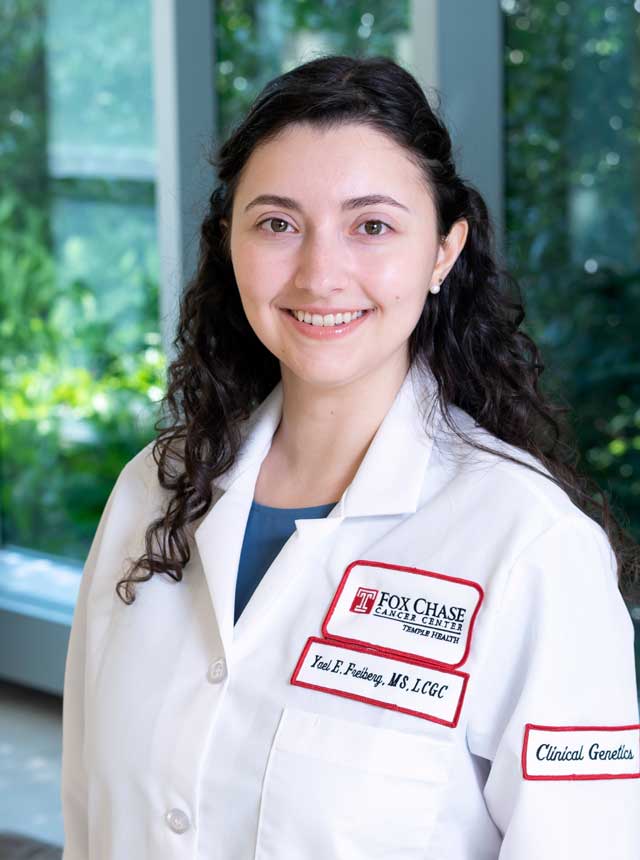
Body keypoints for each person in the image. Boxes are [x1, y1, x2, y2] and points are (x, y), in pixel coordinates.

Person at [60, 54, 640, 859]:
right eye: (277, 224)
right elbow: (90, 820)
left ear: (443, 251)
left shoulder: (531, 546)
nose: (320, 273)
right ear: (228, 242)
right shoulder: (147, 493)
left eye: (372, 226)